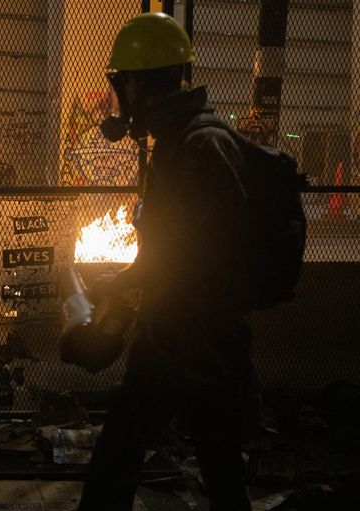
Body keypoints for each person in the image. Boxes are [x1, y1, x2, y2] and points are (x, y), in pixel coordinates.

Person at [79, 13, 260, 511]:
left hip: (191, 337)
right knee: (216, 459)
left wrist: (141, 292)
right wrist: (125, 281)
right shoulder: (182, 143)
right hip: (192, 335)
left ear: (140, 83)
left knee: (123, 446)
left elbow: (204, 259)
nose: (119, 98)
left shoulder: (200, 147)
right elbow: (175, 251)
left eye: (122, 84)